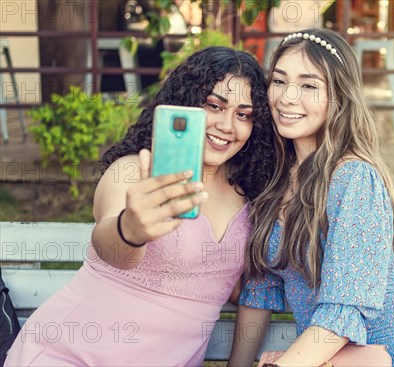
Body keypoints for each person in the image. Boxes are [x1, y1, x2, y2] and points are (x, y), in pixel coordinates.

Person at [5, 46, 275, 366]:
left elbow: (243, 288)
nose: (228, 125)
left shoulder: (251, 194)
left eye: (243, 114)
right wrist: (131, 229)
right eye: (214, 106)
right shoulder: (133, 170)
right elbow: (109, 243)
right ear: (185, 104)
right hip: (70, 354)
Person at [227, 29, 394, 367]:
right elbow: (261, 289)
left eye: (309, 85)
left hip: (392, 358)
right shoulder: (274, 178)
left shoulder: (354, 179)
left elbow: (342, 312)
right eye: (279, 81)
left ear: (339, 97)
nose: (287, 97)